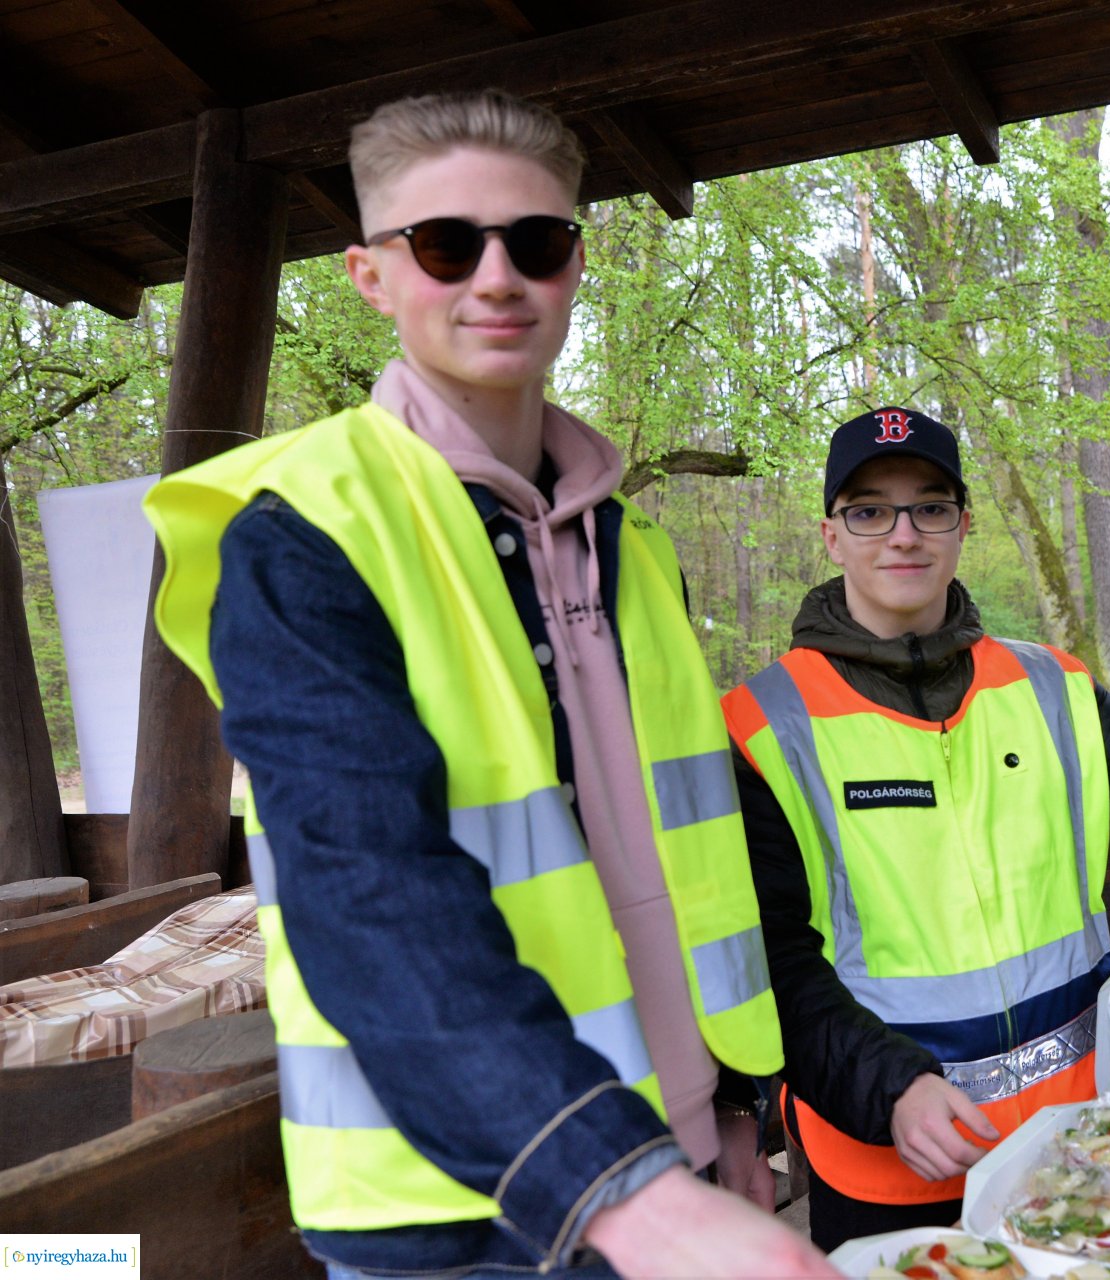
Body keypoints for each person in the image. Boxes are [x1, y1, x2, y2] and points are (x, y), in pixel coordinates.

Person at [142, 92, 837, 1280]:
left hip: (680, 1156)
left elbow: (687, 863)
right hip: (464, 1216)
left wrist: (729, 1110)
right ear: (370, 275)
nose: (498, 276)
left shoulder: (635, 545)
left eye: (539, 241)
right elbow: (365, 887)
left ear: (577, 265)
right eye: (447, 244)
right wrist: (624, 1190)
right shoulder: (303, 532)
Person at [721, 406, 1110, 1251]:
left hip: (1081, 1138)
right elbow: (773, 965)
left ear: (962, 526)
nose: (903, 534)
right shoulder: (763, 726)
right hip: (892, 1157)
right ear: (833, 536)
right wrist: (891, 1089)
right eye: (870, 510)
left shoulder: (1048, 684)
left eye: (930, 507)